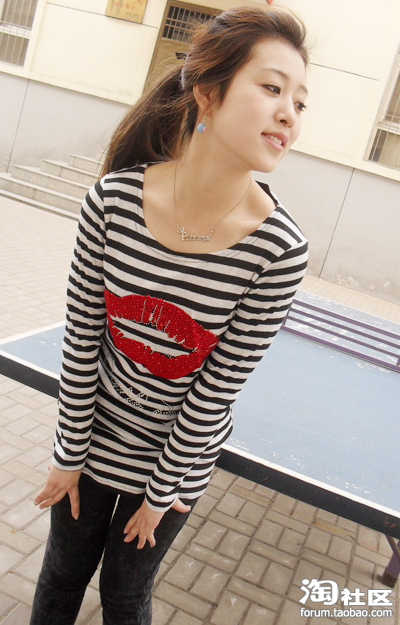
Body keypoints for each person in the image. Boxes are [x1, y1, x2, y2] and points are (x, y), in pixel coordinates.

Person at [30, 6, 309, 625]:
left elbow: (216, 391)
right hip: (90, 440)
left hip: (174, 463)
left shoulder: (279, 251)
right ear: (208, 93)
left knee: (125, 595)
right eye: (272, 88)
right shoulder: (113, 202)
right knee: (62, 574)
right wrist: (68, 454)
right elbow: (82, 344)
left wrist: (160, 495)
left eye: (299, 101)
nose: (290, 113)